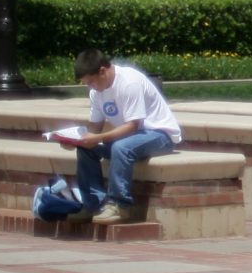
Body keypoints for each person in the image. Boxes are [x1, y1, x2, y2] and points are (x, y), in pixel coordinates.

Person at [54, 48, 184, 225]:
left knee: (121, 147)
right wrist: (77, 140)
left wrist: (98, 138)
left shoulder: (129, 82)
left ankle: (119, 205)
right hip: (132, 136)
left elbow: (133, 125)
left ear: (102, 71)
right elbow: (95, 127)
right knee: (87, 148)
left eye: (91, 81)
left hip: (160, 134)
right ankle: (93, 204)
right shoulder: (96, 92)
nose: (90, 87)